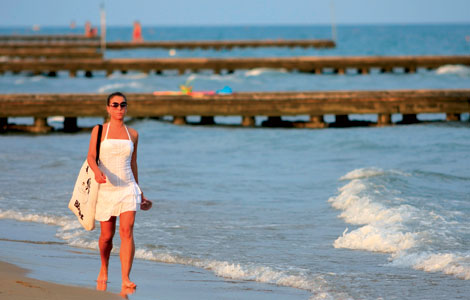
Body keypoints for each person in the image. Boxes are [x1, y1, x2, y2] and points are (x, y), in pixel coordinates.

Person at [86, 92, 152, 291]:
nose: (119, 108)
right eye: (114, 105)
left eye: (123, 105)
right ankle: (104, 267)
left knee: (127, 232)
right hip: (105, 187)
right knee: (107, 236)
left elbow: (133, 163)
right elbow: (90, 156)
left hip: (127, 187)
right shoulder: (99, 130)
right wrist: (97, 172)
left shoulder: (133, 134)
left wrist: (140, 191)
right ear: (107, 108)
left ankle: (125, 277)